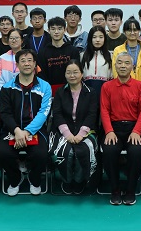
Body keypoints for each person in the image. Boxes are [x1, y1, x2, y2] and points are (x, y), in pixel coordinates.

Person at [0, 49, 52, 196]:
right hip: (12, 130)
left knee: (41, 154)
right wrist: (17, 131)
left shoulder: (45, 86)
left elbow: (43, 113)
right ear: (17, 64)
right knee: (3, 153)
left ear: (35, 64)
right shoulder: (7, 87)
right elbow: (5, 113)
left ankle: (34, 180)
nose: (26, 64)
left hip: (36, 130)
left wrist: (27, 132)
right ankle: (15, 179)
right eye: (23, 61)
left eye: (30, 60)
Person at [101, 52, 141, 206]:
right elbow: (104, 110)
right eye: (120, 62)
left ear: (132, 67)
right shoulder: (107, 86)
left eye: (127, 63)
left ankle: (130, 190)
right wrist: (109, 131)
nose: (123, 66)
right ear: (115, 66)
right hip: (113, 128)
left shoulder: (140, 86)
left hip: (134, 128)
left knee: (136, 152)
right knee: (109, 151)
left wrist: (136, 131)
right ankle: (115, 189)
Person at [49, 60, 99, 194]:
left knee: (83, 150)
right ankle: (66, 180)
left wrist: (81, 134)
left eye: (75, 72)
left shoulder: (91, 92)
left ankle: (79, 180)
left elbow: (92, 115)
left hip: (86, 131)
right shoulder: (60, 92)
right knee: (66, 151)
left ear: (82, 74)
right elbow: (57, 114)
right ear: (65, 75)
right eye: (69, 72)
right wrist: (68, 134)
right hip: (63, 131)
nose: (72, 75)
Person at [112, 16, 141, 99]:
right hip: (124, 95)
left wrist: (139, 89)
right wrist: (130, 91)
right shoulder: (117, 50)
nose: (132, 32)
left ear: (139, 31)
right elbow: (116, 73)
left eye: (135, 30)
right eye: (129, 30)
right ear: (124, 32)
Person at [37, 17, 80, 95]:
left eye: (59, 29)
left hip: (70, 90)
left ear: (65, 30)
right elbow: (41, 75)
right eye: (53, 29)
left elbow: (76, 72)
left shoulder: (73, 51)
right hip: (48, 90)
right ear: (48, 30)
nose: (56, 32)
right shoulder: (42, 52)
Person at [80, 25, 112, 92]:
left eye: (101, 37)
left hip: (105, 91)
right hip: (86, 92)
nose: (97, 40)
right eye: (94, 37)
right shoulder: (82, 55)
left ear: (105, 39)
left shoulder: (110, 55)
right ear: (90, 39)